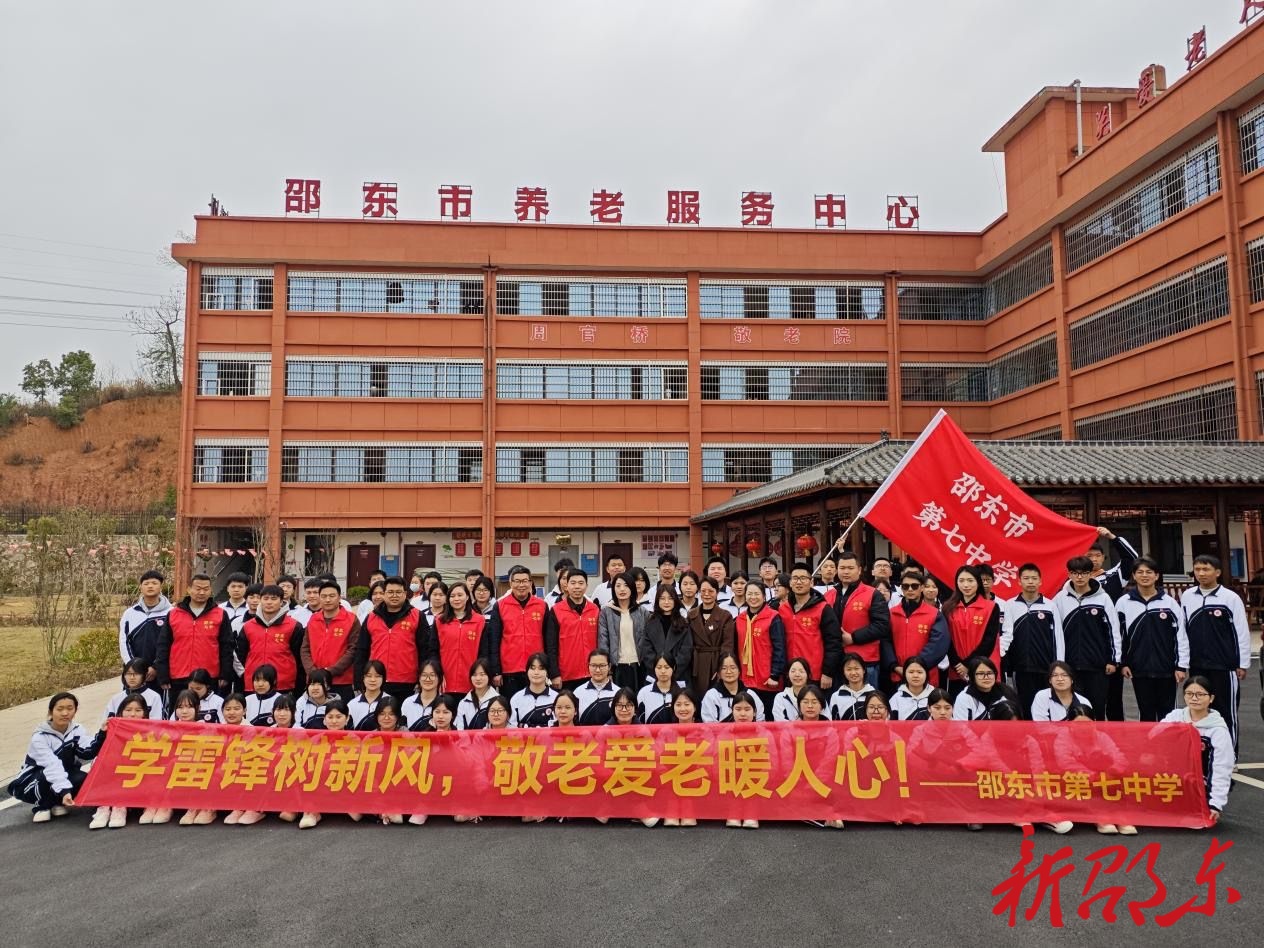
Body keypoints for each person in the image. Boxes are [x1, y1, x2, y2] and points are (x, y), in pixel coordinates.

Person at [1179, 554, 1251, 753]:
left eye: (1206, 569)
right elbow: (1182, 632)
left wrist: (1242, 663)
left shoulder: (1230, 598)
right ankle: (1204, 753)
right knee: (1198, 710)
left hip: (1224, 666)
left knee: (1226, 712)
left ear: (1217, 572)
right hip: (1197, 665)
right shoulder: (1187, 596)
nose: (1201, 573)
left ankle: (1230, 755)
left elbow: (1241, 632)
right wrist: (1183, 662)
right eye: (1197, 569)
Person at [8, 691, 100, 823]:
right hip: (31, 781)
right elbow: (52, 765)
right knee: (46, 775)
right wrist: (64, 791)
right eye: (60, 709)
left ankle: (57, 802)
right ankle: (42, 806)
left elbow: (87, 752)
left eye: (70, 708)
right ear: (51, 712)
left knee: (82, 779)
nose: (65, 713)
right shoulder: (40, 737)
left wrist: (102, 734)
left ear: (75, 711)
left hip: (60, 775)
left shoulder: (77, 730)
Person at [1118, 556, 1188, 722]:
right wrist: (1123, 663)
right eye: (1140, 572)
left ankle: (1168, 740)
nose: (1144, 575)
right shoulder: (1123, 603)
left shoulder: (1169, 603)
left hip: (1167, 669)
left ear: (1156, 576)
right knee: (1146, 714)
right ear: (1134, 576)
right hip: (1139, 669)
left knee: (1168, 715)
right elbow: (1119, 636)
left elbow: (1181, 636)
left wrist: (1181, 666)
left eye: (1149, 572)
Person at [1054, 556, 1121, 722]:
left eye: (1084, 573)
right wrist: (1059, 662)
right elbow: (1055, 633)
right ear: (1069, 574)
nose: (1079, 577)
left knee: (1097, 708)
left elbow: (1113, 630)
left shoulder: (1103, 598)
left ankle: (1097, 737)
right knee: (1073, 709)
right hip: (1070, 666)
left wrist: (1113, 660)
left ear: (1091, 574)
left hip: (1097, 666)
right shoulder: (1060, 599)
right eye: (1075, 573)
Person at [1160, 676, 1234, 823]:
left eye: (1200, 694)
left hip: (1201, 779)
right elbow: (1152, 738)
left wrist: (1216, 803)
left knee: (1194, 817)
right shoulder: (1175, 716)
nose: (1194, 698)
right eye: (1189, 694)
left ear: (1211, 698)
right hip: (1172, 776)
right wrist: (1176, 732)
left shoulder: (1218, 730)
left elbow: (1221, 767)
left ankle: (1203, 799)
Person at [155, 573, 234, 702]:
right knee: (180, 711)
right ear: (189, 589)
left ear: (210, 590)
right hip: (179, 675)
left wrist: (225, 673)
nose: (201, 592)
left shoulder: (220, 614)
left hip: (209, 676)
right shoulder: (174, 614)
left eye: (206, 589)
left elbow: (227, 646)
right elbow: (163, 646)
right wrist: (163, 674)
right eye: (198, 588)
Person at [1088, 527, 1139, 721]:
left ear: (1103, 558)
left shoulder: (1114, 577)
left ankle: (1115, 735)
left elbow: (1132, 558)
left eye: (1097, 556)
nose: (1093, 559)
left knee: (1114, 698)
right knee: (1088, 699)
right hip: (1086, 647)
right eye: (1089, 555)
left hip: (1111, 645)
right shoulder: (1073, 582)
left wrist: (1112, 537)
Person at [1001, 563, 1065, 718]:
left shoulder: (1050, 606)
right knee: (1024, 706)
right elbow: (1007, 634)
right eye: (1026, 578)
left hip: (1045, 667)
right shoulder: (1010, 605)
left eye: (1034, 578)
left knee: (1047, 706)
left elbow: (1058, 638)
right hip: (1020, 668)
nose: (1030, 581)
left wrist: (1059, 665)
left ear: (1040, 581)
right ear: (1019, 581)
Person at [356, 576, 426, 702]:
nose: (394, 596)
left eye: (398, 592)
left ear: (405, 593)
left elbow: (425, 650)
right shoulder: (371, 617)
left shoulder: (417, 616)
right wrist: (358, 679)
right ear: (384, 594)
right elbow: (361, 650)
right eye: (390, 592)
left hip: (407, 682)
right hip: (376, 680)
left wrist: (422, 678)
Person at [781, 561, 844, 690]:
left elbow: (833, 642)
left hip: (814, 673)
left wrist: (828, 672)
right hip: (790, 673)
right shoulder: (783, 608)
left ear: (811, 582)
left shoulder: (823, 608)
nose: (799, 582)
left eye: (803, 578)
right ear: (790, 583)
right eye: (795, 578)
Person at [89, 694, 149, 829]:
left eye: (138, 710)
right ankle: (103, 807)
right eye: (128, 710)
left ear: (145, 713)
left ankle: (120, 807)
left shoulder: (150, 730)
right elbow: (94, 751)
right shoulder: (113, 728)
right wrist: (102, 732)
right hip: (114, 770)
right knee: (101, 761)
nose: (132, 714)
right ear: (121, 711)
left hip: (137, 772)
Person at [831, 552, 890, 689]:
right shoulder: (830, 594)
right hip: (836, 659)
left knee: (867, 699)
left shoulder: (872, 593)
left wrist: (853, 638)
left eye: (850, 568)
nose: (846, 572)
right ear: (837, 570)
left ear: (859, 570)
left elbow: (882, 625)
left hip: (865, 661)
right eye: (842, 568)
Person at [886, 569, 949, 694]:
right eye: (905, 586)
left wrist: (915, 667)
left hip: (925, 675)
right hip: (898, 674)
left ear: (922, 588)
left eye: (914, 586)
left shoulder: (934, 614)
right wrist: (894, 665)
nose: (910, 589)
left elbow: (939, 644)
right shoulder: (892, 613)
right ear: (901, 589)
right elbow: (885, 641)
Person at [237, 584, 305, 698]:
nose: (269, 602)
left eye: (274, 599)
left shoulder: (294, 626)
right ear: (260, 600)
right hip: (254, 683)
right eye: (265, 598)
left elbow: (299, 657)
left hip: (284, 684)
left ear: (281, 602)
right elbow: (241, 655)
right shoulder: (248, 626)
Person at [943, 566, 1002, 697]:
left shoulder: (991, 607)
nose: (966, 585)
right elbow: (946, 639)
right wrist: (957, 664)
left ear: (978, 582)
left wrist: (968, 664)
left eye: (970, 580)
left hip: (982, 667)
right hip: (957, 669)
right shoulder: (948, 607)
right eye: (961, 580)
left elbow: (989, 640)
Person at [492, 565, 548, 698]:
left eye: (524, 581)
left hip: (536, 669)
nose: (521, 585)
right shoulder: (500, 605)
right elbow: (494, 640)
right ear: (510, 583)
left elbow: (549, 639)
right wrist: (496, 671)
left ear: (530, 583)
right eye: (517, 581)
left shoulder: (542, 605)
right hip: (509, 670)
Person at [300, 579, 360, 701]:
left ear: (339, 598)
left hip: (341, 681)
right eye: (324, 596)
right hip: (314, 682)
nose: (327, 600)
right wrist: (313, 672)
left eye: (332, 596)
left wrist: (330, 671)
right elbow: (305, 648)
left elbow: (353, 649)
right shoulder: (313, 619)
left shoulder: (351, 620)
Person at [735, 581, 787, 716]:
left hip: (768, 680)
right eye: (749, 594)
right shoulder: (740, 619)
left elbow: (780, 648)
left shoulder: (773, 617)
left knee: (768, 717)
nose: (753, 597)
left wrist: (775, 675)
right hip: (745, 679)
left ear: (764, 597)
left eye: (757, 594)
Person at [427, 581, 488, 698]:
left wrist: (480, 675)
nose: (456, 599)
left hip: (471, 680)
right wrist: (438, 673)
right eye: (452, 596)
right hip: (445, 681)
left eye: (460, 595)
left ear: (467, 597)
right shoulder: (440, 621)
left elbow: (484, 652)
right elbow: (433, 650)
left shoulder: (479, 621)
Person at [543, 568, 601, 690]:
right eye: (573, 583)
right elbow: (551, 646)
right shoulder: (556, 610)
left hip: (592, 673)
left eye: (581, 583)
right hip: (566, 675)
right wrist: (554, 674)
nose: (577, 587)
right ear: (566, 586)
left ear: (586, 586)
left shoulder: (595, 610)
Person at [298, 699, 350, 829]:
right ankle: (311, 812)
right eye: (330, 717)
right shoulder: (315, 739)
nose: (334, 721)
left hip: (345, 782)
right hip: (320, 782)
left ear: (347, 719)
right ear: (324, 720)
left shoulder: (354, 739)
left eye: (338, 717)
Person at [597, 574, 648, 690]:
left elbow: (648, 640)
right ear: (613, 589)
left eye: (626, 585)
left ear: (632, 588)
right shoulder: (606, 612)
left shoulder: (642, 612)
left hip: (639, 666)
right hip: (617, 667)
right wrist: (607, 670)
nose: (622, 589)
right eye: (618, 586)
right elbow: (603, 642)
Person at [118, 569, 170, 679]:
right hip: (134, 673)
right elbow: (124, 641)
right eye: (146, 584)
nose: (150, 586)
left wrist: (156, 667)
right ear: (140, 588)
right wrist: (133, 666)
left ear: (161, 587)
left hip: (162, 672)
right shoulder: (130, 613)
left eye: (154, 583)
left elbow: (173, 643)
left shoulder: (171, 612)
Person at [640, 586, 693, 686]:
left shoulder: (683, 624)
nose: (666, 602)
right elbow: (646, 651)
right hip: (654, 675)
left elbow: (686, 652)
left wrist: (671, 671)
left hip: (678, 675)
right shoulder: (650, 623)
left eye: (670, 598)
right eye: (662, 598)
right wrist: (659, 670)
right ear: (657, 601)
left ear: (675, 601)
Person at [690, 577, 736, 692]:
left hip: (715, 661)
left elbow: (728, 644)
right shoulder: (691, 615)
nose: (707, 594)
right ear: (698, 592)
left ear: (717, 592)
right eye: (703, 591)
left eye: (711, 591)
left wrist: (721, 668)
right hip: (696, 663)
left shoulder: (725, 616)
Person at [701, 651, 765, 722]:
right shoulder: (712, 695)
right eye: (724, 668)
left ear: (739, 671)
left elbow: (760, 720)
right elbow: (709, 724)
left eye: (733, 667)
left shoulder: (751, 694)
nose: (729, 672)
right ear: (718, 673)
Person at [952, 657, 1017, 720]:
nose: (986, 677)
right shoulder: (964, 698)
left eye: (990, 673)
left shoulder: (1006, 692)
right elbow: (960, 725)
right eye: (981, 674)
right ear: (972, 676)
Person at [510, 653, 558, 727]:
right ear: (527, 671)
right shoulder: (516, 698)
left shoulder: (556, 698)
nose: (536, 672)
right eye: (532, 668)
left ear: (547, 672)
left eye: (541, 668)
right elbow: (512, 727)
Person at [574, 649, 617, 725]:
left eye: (602, 666)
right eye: (593, 665)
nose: (597, 670)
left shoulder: (617, 693)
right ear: (588, 666)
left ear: (609, 666)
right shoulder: (578, 693)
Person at [828, 653, 876, 720]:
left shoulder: (874, 695)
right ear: (843, 672)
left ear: (864, 670)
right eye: (849, 669)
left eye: (856, 668)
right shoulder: (836, 696)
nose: (853, 673)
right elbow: (833, 722)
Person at [456, 658, 499, 729]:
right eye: (474, 675)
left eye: (482, 674)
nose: (478, 678)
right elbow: (459, 729)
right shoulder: (463, 703)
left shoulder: (498, 700)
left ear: (489, 676)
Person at [402, 660, 444, 730]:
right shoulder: (408, 702)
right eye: (424, 675)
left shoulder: (444, 702)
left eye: (432, 675)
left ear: (439, 678)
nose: (427, 679)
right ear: (419, 678)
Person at [637, 654, 678, 724]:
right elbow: (640, 720)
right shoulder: (644, 692)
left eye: (667, 667)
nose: (663, 671)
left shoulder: (681, 692)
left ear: (673, 668)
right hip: (649, 731)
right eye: (659, 667)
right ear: (654, 669)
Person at [347, 660, 386, 729]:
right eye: (369, 676)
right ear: (363, 678)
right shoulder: (352, 704)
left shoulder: (389, 702)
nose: (373, 680)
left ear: (383, 679)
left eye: (377, 676)